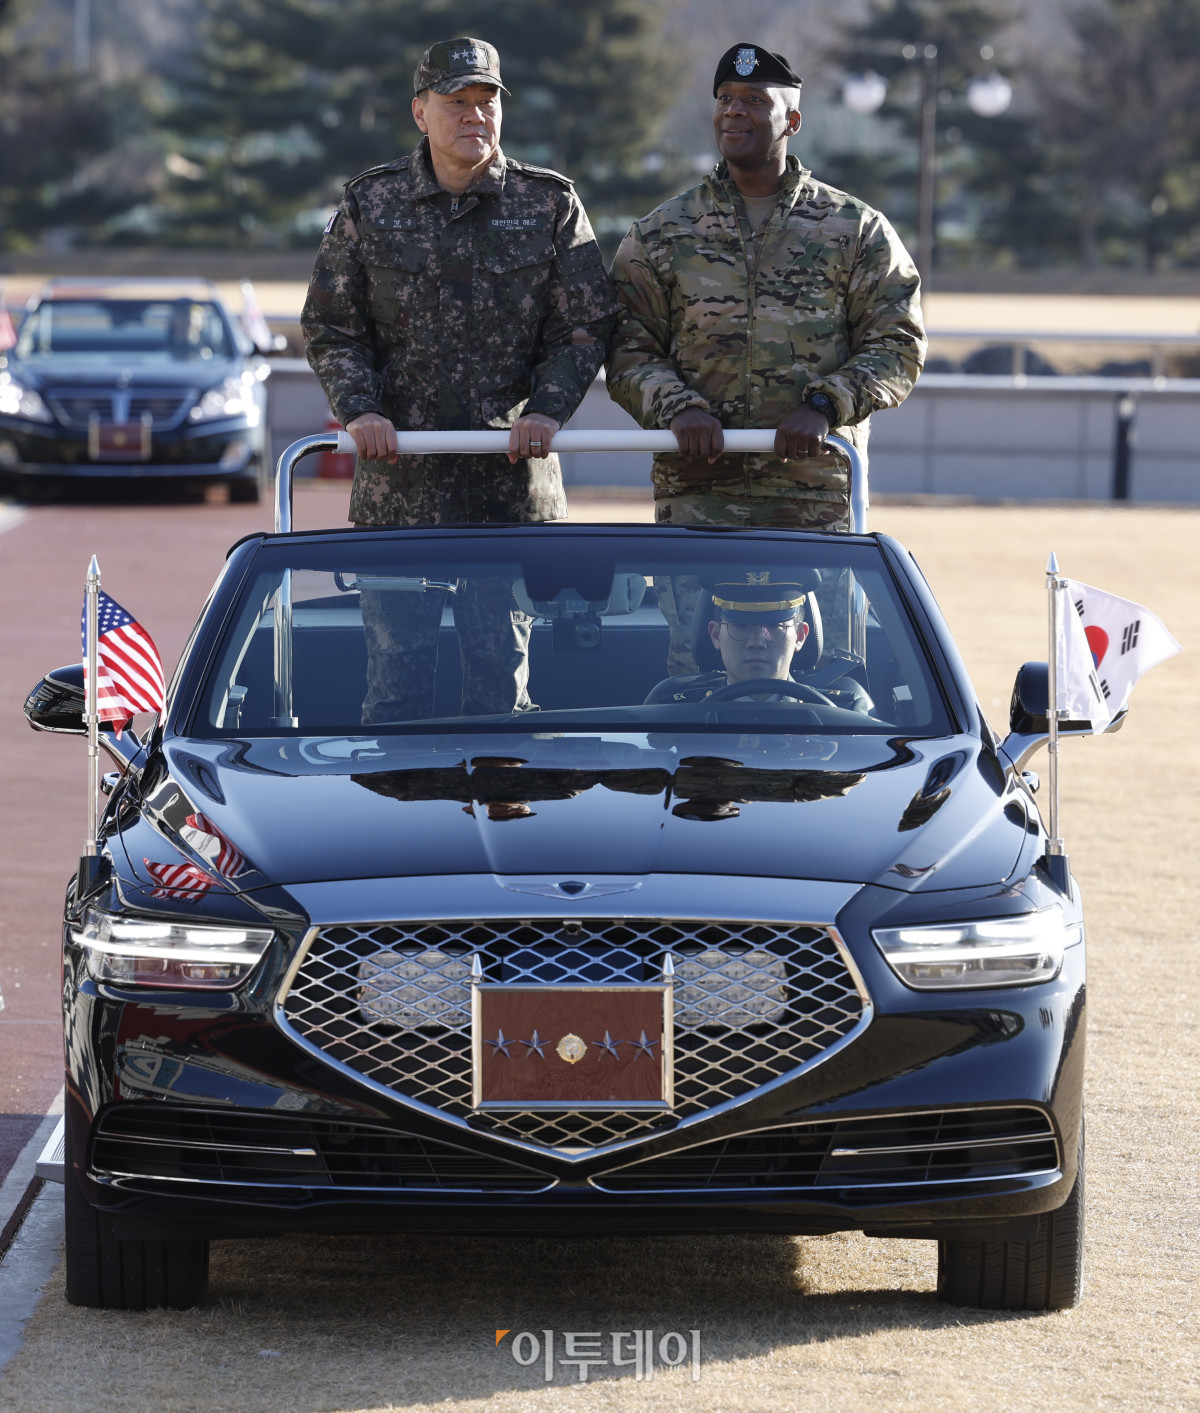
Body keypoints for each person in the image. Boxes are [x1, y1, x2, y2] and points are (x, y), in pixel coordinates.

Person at [302, 37, 619, 723]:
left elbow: (585, 325)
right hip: (400, 488)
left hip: (508, 487)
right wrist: (359, 410)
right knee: (397, 693)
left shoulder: (549, 204)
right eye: (456, 102)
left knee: (501, 694)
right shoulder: (371, 203)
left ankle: (502, 793)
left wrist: (548, 409)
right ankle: (399, 796)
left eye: (486, 101)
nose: (474, 115)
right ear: (421, 112)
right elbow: (331, 325)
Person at [607, 41, 926, 674]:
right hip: (699, 495)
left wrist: (826, 405)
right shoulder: (662, 231)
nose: (735, 111)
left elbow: (898, 343)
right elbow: (625, 345)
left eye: (754, 100)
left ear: (792, 121)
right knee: (696, 674)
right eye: (726, 99)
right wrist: (677, 408)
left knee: (833, 677)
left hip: (815, 498)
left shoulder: (853, 228)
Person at [645, 573, 873, 713]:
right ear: (715, 635)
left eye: (774, 626)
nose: (756, 642)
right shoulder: (671, 709)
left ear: (800, 636)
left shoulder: (845, 709)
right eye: (740, 626)